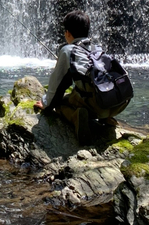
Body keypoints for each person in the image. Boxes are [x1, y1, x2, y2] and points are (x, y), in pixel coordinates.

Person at [34, 9, 129, 145]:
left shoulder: (68, 50)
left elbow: (57, 86)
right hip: (119, 103)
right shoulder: (97, 48)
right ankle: (107, 117)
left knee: (59, 103)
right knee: (86, 89)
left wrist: (46, 104)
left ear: (67, 33)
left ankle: (76, 117)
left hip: (96, 105)